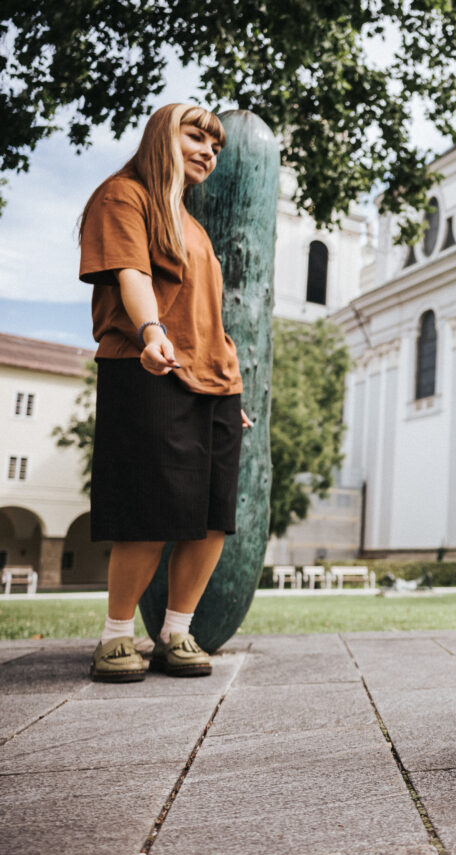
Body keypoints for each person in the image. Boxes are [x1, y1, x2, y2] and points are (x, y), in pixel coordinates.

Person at [80, 104, 251, 683]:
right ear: (162, 135)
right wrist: (152, 333)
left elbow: (209, 314)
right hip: (149, 366)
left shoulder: (195, 227)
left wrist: (229, 387)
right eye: (196, 135)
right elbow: (131, 273)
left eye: (216, 144)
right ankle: (115, 637)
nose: (208, 150)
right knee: (148, 513)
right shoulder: (123, 196)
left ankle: (176, 630)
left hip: (214, 383)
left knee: (211, 519)